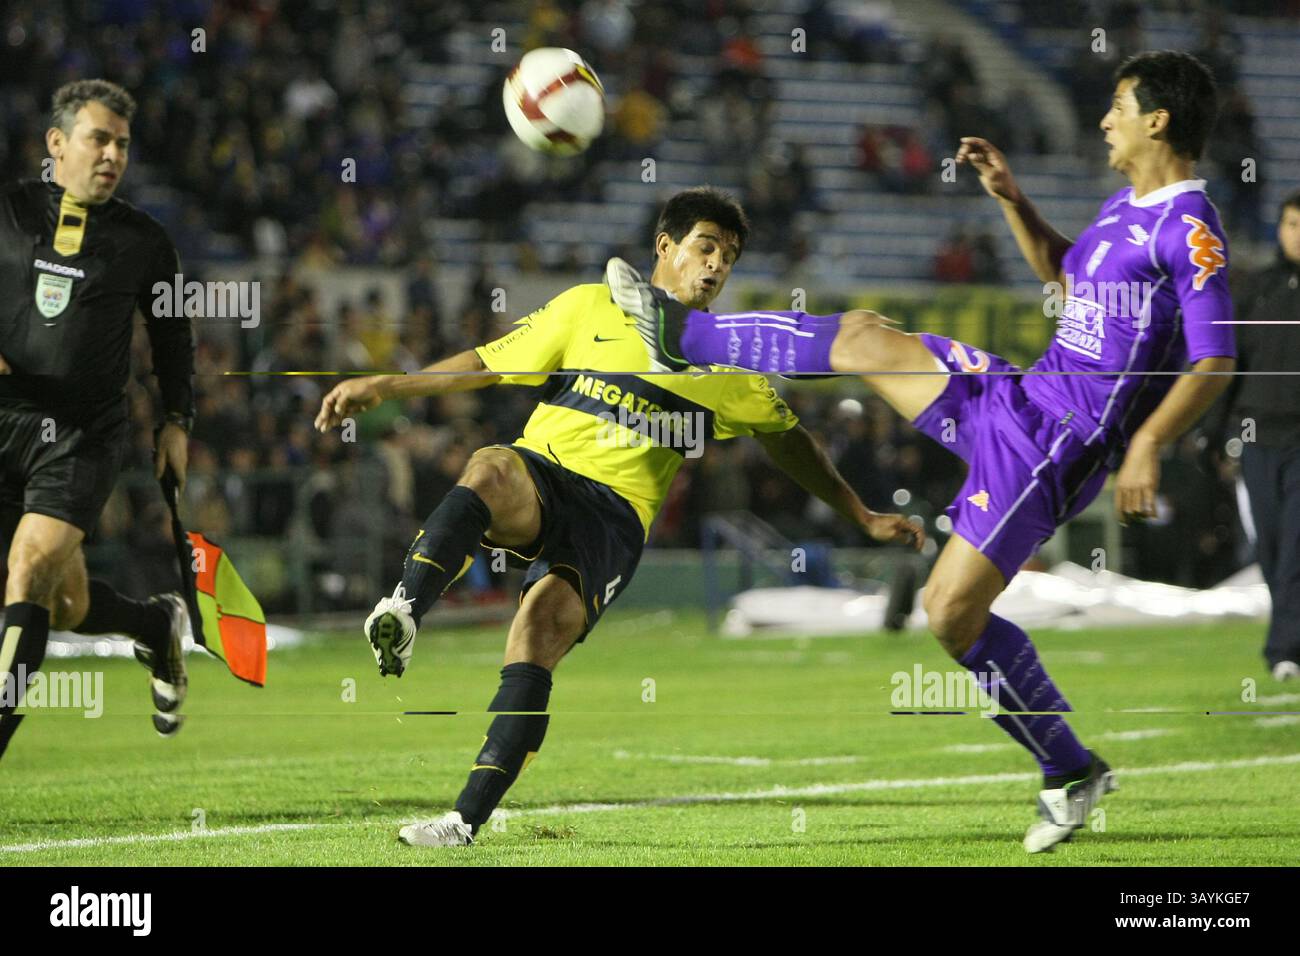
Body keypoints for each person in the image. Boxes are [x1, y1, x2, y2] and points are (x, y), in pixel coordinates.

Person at [609, 52, 1236, 852]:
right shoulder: (1123, 209)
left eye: (1118, 104)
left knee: (947, 613)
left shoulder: (1190, 226)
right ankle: (684, 336)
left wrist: (1148, 444)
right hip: (1020, 394)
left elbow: (1215, 357)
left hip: (1056, 443)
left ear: (1159, 119)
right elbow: (1063, 279)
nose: (1105, 118)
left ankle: (1069, 768)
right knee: (869, 337)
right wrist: (1015, 201)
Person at [314, 186, 923, 847]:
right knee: (489, 466)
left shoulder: (726, 358)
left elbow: (790, 443)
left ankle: (462, 821)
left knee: (536, 636)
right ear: (667, 247)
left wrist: (861, 515)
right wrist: (386, 386)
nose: (717, 265)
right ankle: (405, 609)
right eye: (706, 247)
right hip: (544, 472)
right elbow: (487, 364)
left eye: (730, 255)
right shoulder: (587, 306)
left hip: (614, 521)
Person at [0, 79, 195, 754]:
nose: (113, 155)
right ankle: (152, 625)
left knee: (27, 568)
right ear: (57, 143)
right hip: (4, 422)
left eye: (123, 144)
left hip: (81, 434)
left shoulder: (144, 240)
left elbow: (172, 334)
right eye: (99, 139)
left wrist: (178, 419)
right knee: (66, 605)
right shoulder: (11, 211)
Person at [1221, 191, 1300, 681]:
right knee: (1271, 547)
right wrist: (1214, 437)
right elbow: (1229, 366)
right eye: (1292, 224)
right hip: (1257, 440)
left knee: (1295, 545)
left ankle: (1283, 651)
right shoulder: (1255, 291)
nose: (1298, 235)